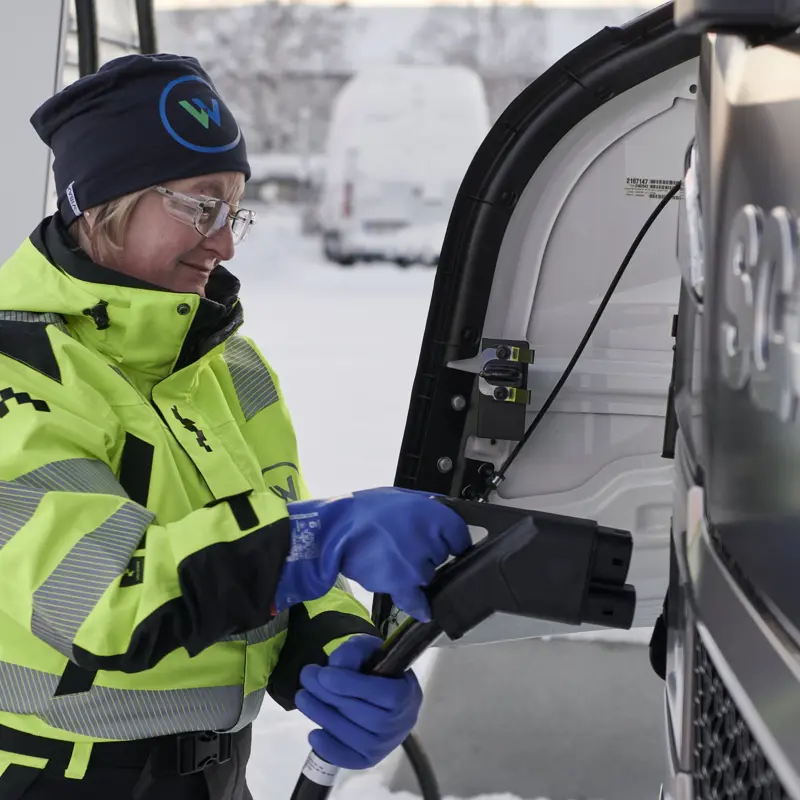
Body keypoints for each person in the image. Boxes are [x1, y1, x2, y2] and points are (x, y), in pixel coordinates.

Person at [0, 53, 471, 800]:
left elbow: (269, 545)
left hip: (219, 779)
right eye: (199, 206)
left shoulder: (231, 367)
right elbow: (101, 597)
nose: (222, 243)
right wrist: (322, 537)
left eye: (234, 212)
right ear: (103, 202)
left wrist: (333, 646)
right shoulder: (17, 372)